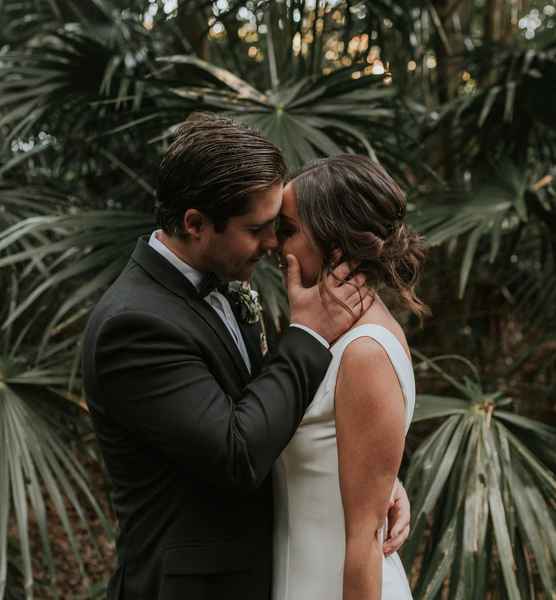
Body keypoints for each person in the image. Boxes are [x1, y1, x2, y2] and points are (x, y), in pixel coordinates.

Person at [82, 114, 410, 600]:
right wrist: (307, 334)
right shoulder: (133, 325)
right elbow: (237, 452)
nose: (274, 244)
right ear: (195, 223)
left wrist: (369, 474)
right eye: (257, 228)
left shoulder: (229, 283)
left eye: (279, 226)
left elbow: (267, 410)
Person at [273, 154, 427, 600]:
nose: (273, 245)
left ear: (334, 246)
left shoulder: (365, 352)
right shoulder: (328, 337)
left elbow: (363, 537)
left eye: (287, 230)